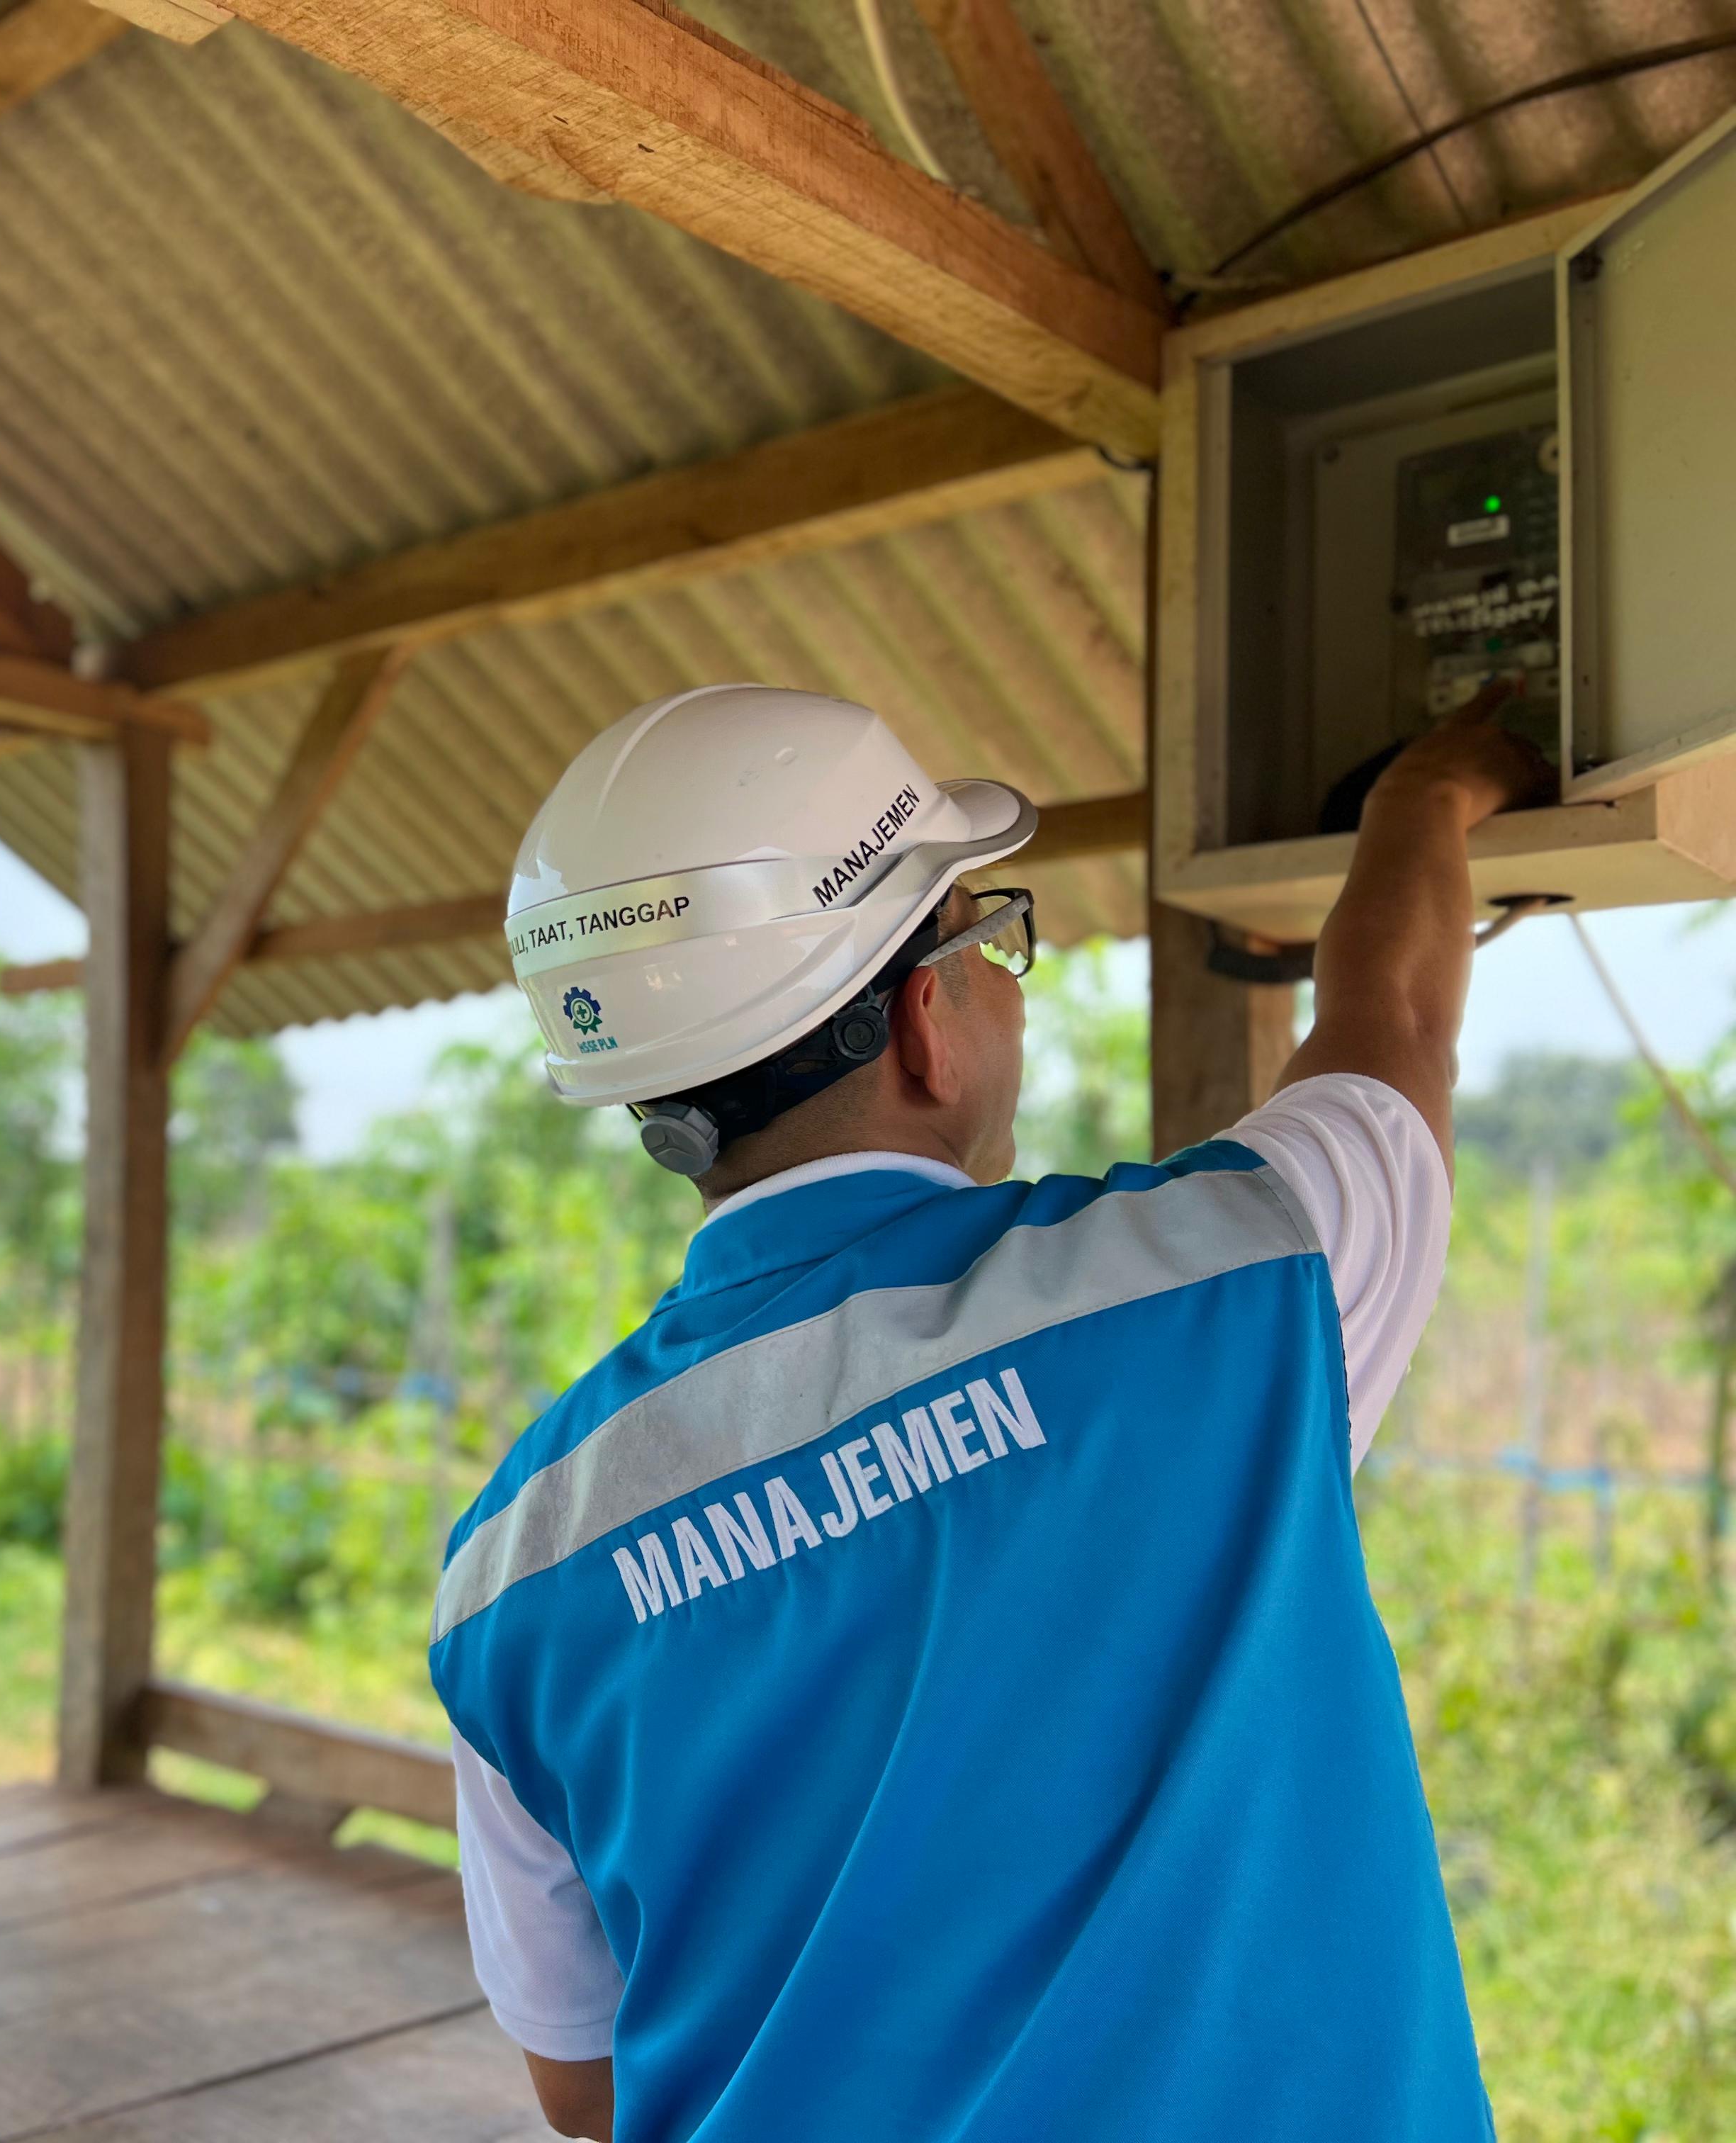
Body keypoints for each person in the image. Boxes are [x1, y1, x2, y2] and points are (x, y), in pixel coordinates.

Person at [431, 683, 1551, 2143]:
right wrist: (1432, 795)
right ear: (926, 1026)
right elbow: (1392, 1023)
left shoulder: (507, 1572)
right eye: (988, 939)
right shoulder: (1238, 1282)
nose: (1006, 982)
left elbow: (583, 2086)